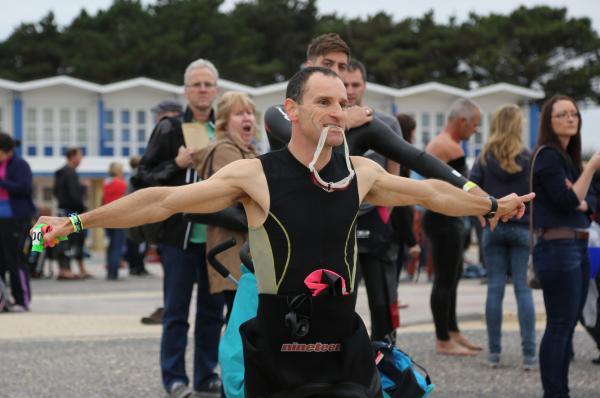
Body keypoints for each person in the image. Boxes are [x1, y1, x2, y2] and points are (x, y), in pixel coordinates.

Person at [36, 66, 534, 397]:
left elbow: (431, 194)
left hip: (342, 344)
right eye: (324, 101)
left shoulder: (361, 172)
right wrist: (77, 220)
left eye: (342, 101)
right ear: (291, 110)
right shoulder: (257, 175)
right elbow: (162, 200)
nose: (338, 110)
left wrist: (490, 204)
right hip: (279, 352)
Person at [128, 59, 224, 397]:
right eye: (196, 84)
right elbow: (142, 178)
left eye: (207, 84)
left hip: (217, 238)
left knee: (213, 313)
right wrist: (177, 164)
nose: (202, 90)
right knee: (176, 311)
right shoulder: (169, 129)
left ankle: (206, 374)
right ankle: (174, 378)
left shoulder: (224, 128)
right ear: (185, 91)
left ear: (216, 90)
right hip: (178, 237)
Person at [532, 95, 600, 397]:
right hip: (558, 248)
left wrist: (582, 196)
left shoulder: (569, 160)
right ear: (550, 120)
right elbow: (567, 200)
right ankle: (555, 392)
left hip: (578, 247)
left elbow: (592, 200)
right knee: (559, 325)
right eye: (562, 114)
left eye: (574, 113)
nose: (571, 118)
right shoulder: (548, 156)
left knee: (568, 324)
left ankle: (560, 391)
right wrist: (593, 166)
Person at [470, 104, 536, 369]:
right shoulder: (528, 157)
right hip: (521, 227)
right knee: (523, 289)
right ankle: (530, 355)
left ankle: (494, 354)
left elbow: (470, 190)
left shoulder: (484, 157)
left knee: (495, 288)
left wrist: (484, 221)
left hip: (494, 227)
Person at [344, 59, 401, 342]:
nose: (351, 90)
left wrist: (386, 212)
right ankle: (343, 362)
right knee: (344, 299)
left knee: (383, 299)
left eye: (356, 84)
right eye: (345, 85)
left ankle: (386, 359)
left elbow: (396, 169)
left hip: (376, 217)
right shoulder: (329, 125)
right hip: (342, 220)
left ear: (365, 85)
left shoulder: (386, 123)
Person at [192, 91, 260, 321]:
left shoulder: (248, 151)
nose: (247, 118)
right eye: (239, 114)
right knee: (240, 318)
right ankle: (233, 359)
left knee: (243, 316)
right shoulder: (224, 150)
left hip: (242, 246)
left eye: (249, 112)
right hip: (232, 247)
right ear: (224, 121)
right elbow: (250, 191)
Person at [423, 98, 483, 356]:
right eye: (475, 125)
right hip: (443, 219)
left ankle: (453, 331)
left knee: (453, 277)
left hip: (448, 218)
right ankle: (442, 338)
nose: (475, 130)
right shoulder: (447, 147)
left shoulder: (449, 145)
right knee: (445, 279)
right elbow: (462, 188)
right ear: (462, 121)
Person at [0, 132, 35, 311]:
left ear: (5, 150)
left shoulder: (20, 165)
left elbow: (24, 188)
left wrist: (2, 182)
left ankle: (22, 299)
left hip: (16, 218)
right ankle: (3, 299)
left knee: (15, 259)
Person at [390, 113, 421, 282]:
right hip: (395, 230)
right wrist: (412, 241)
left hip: (393, 228)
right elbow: (398, 202)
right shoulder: (399, 161)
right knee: (391, 280)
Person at [53, 147, 90, 280]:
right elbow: (74, 196)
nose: (81, 159)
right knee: (74, 241)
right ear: (72, 156)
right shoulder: (70, 173)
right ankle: (67, 270)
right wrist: (83, 190)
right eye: (80, 155)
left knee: (64, 240)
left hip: (63, 211)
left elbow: (56, 192)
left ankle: (68, 269)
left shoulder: (60, 172)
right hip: (74, 213)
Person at [102, 162, 128, 280]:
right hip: (119, 217)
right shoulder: (121, 184)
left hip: (107, 217)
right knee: (117, 245)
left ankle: (110, 271)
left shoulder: (106, 183)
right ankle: (114, 272)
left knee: (111, 245)